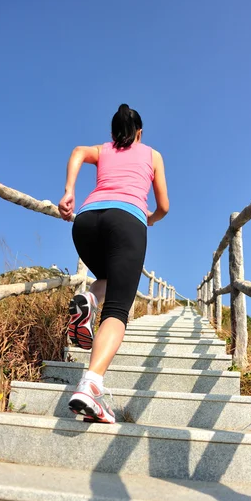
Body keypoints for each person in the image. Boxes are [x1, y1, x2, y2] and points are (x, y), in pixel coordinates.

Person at [58, 104, 169, 423]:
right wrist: (150, 218)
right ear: (139, 132)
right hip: (126, 221)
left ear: (112, 133)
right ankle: (90, 386)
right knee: (118, 309)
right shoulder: (152, 155)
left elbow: (78, 150)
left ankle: (89, 299)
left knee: (106, 278)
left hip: (86, 221)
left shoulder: (103, 149)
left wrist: (69, 192)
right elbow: (163, 205)